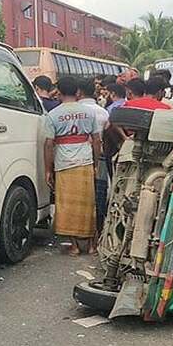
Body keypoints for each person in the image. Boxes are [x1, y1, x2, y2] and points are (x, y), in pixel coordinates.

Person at [43, 76, 101, 256]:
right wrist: (96, 162)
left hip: (64, 164)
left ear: (58, 92)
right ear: (78, 92)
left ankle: (75, 246)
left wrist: (47, 169)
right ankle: (91, 245)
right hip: (85, 161)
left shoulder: (53, 115)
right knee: (88, 204)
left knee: (67, 205)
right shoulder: (90, 113)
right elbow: (97, 140)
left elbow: (48, 144)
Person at [77, 78, 110, 240]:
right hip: (100, 158)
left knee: (79, 197)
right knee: (98, 195)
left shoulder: (73, 110)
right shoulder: (103, 112)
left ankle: (79, 232)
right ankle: (97, 233)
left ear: (79, 92)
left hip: (77, 158)